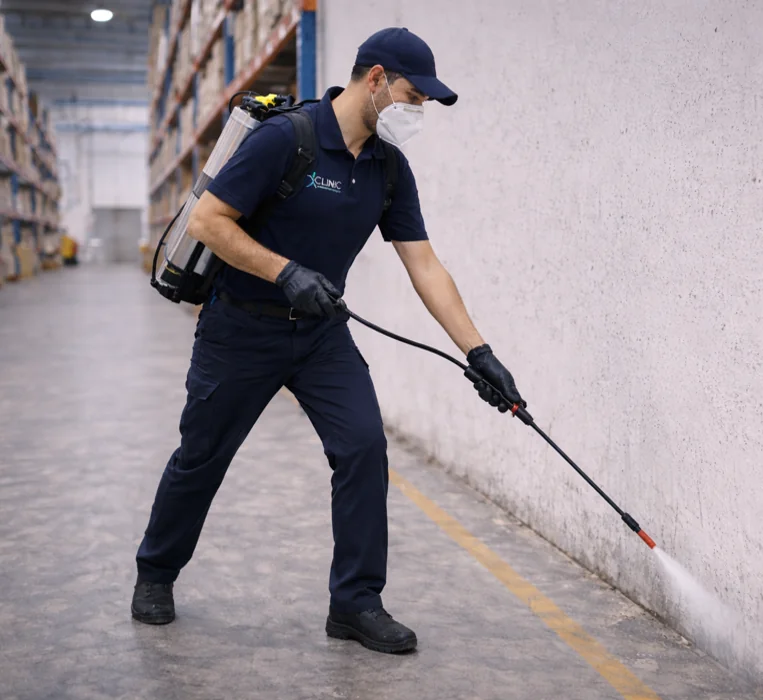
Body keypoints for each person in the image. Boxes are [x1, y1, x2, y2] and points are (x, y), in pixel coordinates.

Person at [131, 27, 525, 654]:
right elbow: (208, 221)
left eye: (422, 102)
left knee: (364, 446)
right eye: (410, 96)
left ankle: (355, 602)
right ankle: (155, 572)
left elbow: (424, 264)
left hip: (320, 334)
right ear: (374, 79)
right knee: (202, 456)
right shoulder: (285, 139)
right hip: (241, 327)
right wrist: (283, 271)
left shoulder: (388, 168)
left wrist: (479, 353)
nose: (415, 110)